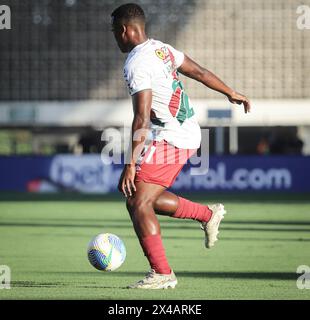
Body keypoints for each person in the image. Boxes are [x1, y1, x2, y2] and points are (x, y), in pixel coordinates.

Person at [111, 3, 251, 289]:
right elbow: (198, 71)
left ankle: (162, 274)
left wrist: (130, 164)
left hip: (172, 136)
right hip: (184, 132)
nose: (115, 37)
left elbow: (141, 117)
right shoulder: (161, 49)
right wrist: (230, 91)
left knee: (139, 202)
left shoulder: (136, 62)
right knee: (140, 198)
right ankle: (207, 215)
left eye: (114, 31)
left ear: (124, 30)